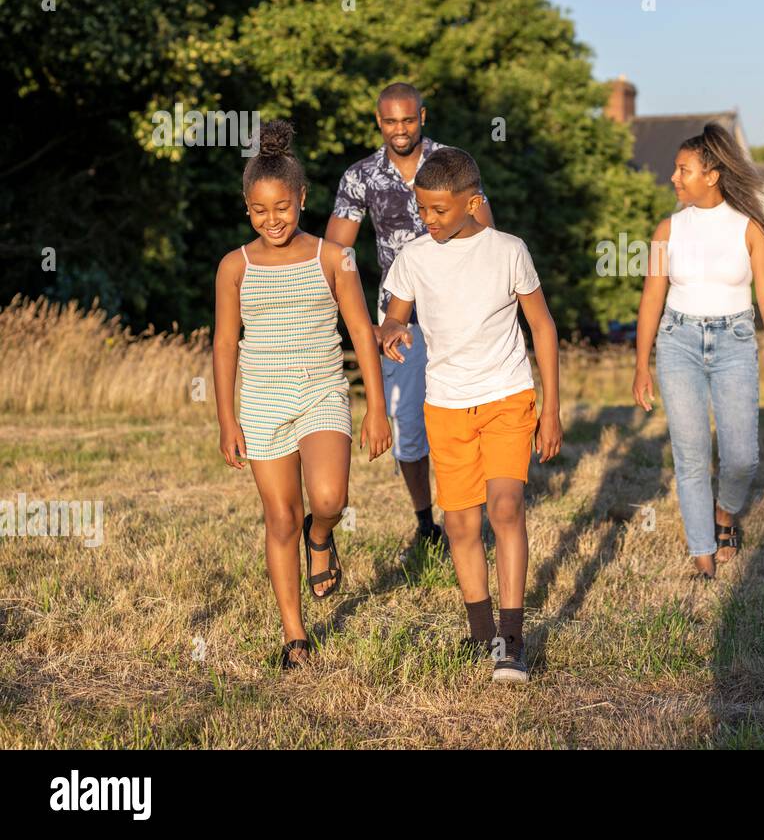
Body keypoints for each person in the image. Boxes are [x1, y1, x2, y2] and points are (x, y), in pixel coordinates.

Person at [214, 119, 392, 669]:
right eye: (261, 210)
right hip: (263, 403)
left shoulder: (333, 257)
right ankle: (295, 636)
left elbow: (363, 332)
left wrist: (376, 408)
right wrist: (227, 420)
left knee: (328, 499)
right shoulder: (233, 267)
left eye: (283, 207)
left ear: (302, 199)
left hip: (322, 392)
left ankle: (323, 537)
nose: (274, 220)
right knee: (279, 518)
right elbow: (224, 346)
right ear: (248, 207)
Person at [379, 146, 561, 683]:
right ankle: (479, 633)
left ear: (472, 202)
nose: (429, 220)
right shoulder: (412, 257)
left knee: (505, 508)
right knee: (459, 524)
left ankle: (511, 639)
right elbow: (395, 317)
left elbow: (543, 327)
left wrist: (550, 410)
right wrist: (391, 332)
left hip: (507, 396)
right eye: (423, 209)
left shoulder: (508, 250)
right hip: (446, 404)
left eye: (440, 210)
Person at [326, 82, 497, 560]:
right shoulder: (360, 176)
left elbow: (487, 231)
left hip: (457, 308)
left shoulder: (452, 164)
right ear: (378, 122)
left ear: (423, 115)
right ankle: (427, 524)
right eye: (390, 122)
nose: (400, 130)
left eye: (408, 120)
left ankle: (465, 513)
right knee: (406, 423)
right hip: (397, 316)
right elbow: (337, 253)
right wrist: (360, 319)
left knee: (463, 410)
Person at [632, 122, 764, 579]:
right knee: (689, 454)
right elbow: (651, 298)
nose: (673, 177)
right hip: (678, 341)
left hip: (735, 343)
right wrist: (641, 364)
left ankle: (725, 516)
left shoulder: (751, 230)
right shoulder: (667, 230)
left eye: (682, 169)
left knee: (743, 456)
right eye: (674, 169)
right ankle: (702, 557)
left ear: (712, 175)